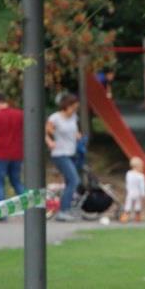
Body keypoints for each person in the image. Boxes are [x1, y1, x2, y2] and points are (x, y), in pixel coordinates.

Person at [46, 92, 82, 222]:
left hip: (71, 153)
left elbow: (75, 131)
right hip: (60, 154)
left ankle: (67, 208)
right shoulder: (55, 118)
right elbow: (45, 131)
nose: (74, 110)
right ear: (67, 106)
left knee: (69, 182)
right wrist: (50, 141)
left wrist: (78, 136)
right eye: (73, 107)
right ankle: (63, 210)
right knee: (74, 180)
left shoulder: (74, 117)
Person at [121, 156, 145, 223]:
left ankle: (124, 217)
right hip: (137, 193)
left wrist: (128, 190)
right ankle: (137, 217)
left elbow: (127, 184)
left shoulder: (128, 174)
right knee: (138, 205)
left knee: (128, 205)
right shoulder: (140, 176)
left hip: (130, 192)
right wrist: (143, 195)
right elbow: (142, 187)